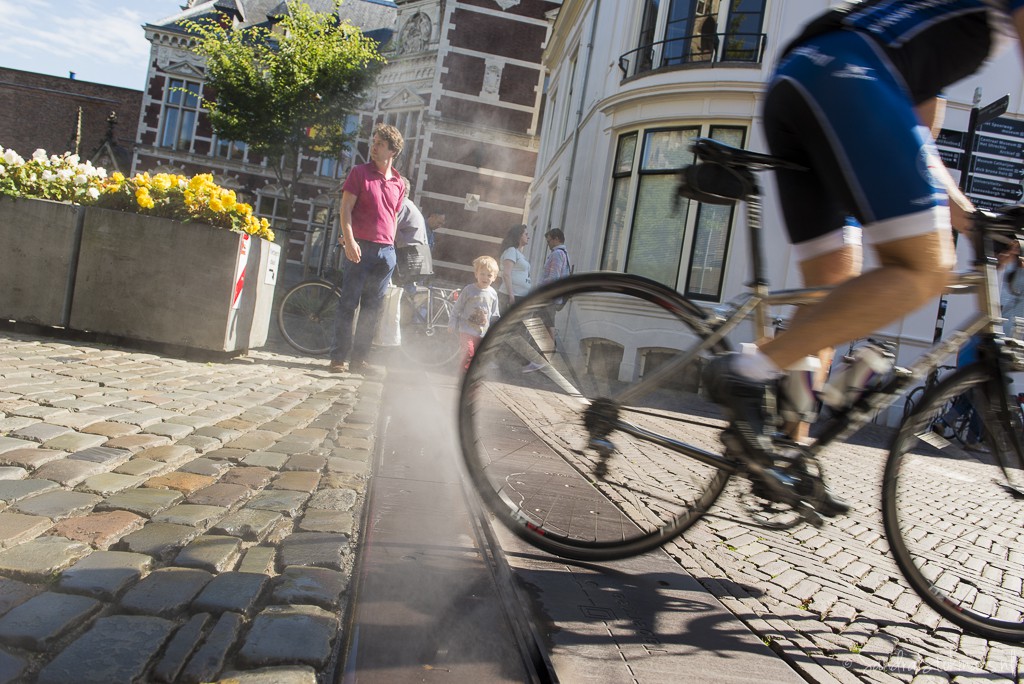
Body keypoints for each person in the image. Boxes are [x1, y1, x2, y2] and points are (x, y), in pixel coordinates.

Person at [702, 0, 1024, 517]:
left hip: (804, 77)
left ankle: (785, 456)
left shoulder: (918, 32)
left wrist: (970, 217)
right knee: (926, 269)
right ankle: (747, 369)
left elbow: (918, 148)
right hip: (851, 78)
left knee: (834, 293)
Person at [329, 122, 406, 374]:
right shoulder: (359, 173)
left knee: (372, 309)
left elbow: (393, 216)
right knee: (348, 304)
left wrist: (391, 249)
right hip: (359, 248)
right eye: (373, 143)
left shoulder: (399, 183)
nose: (373, 147)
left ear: (392, 151)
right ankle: (338, 358)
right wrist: (349, 240)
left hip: (386, 253)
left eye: (380, 144)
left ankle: (359, 360)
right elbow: (345, 210)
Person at [449, 256, 501, 372]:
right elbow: (457, 307)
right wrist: (452, 322)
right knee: (468, 352)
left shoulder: (493, 294)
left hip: (482, 332)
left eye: (489, 275)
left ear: (494, 278)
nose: (485, 278)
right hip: (466, 329)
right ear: (476, 274)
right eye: (482, 274)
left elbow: (495, 314)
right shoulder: (469, 290)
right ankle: (463, 375)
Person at [393, 177, 433, 287]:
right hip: (418, 254)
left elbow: (389, 226)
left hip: (409, 254)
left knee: (398, 286)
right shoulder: (409, 204)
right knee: (408, 289)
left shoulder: (401, 206)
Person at [497, 224, 531, 313]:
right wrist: (511, 296)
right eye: (526, 234)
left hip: (520, 296)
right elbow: (506, 274)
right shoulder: (511, 251)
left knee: (517, 326)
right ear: (519, 236)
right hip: (510, 296)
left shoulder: (519, 254)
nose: (528, 237)